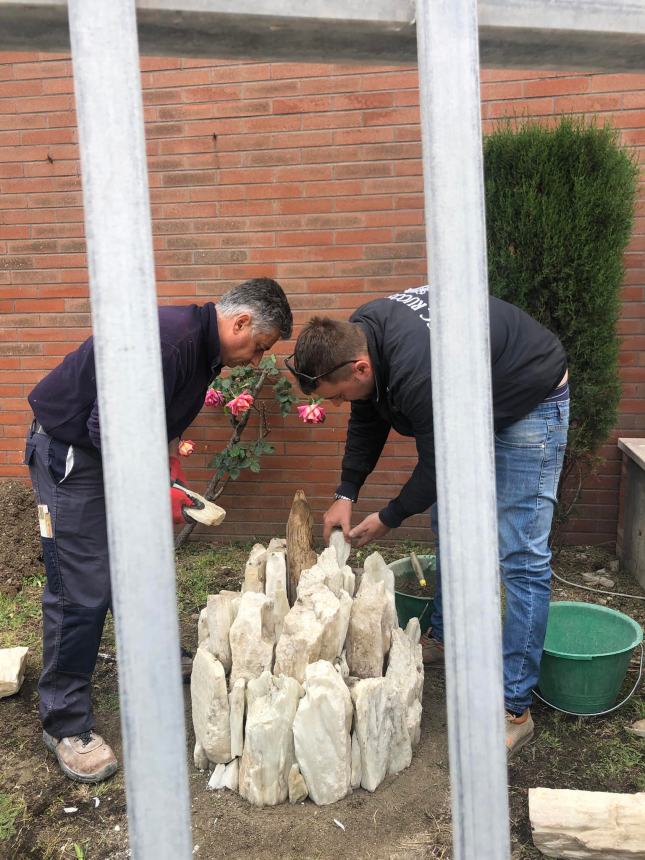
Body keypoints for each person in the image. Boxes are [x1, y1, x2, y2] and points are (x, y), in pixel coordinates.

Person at [25, 277, 292, 783]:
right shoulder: (170, 341)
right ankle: (65, 722)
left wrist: (171, 474)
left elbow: (163, 419)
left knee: (143, 563)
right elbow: (112, 428)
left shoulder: (202, 353)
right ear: (239, 323)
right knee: (83, 587)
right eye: (258, 347)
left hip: (107, 453)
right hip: (72, 457)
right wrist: (152, 487)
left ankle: (153, 656)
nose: (256, 361)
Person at [287, 284, 569, 756]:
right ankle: (443, 634)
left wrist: (390, 516)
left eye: (336, 397)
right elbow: (367, 417)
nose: (338, 405)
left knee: (520, 556)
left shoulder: (420, 370)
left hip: (528, 399)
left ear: (360, 367)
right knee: (449, 527)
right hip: (474, 391)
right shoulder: (361, 334)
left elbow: (443, 464)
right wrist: (345, 492)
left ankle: (514, 707)